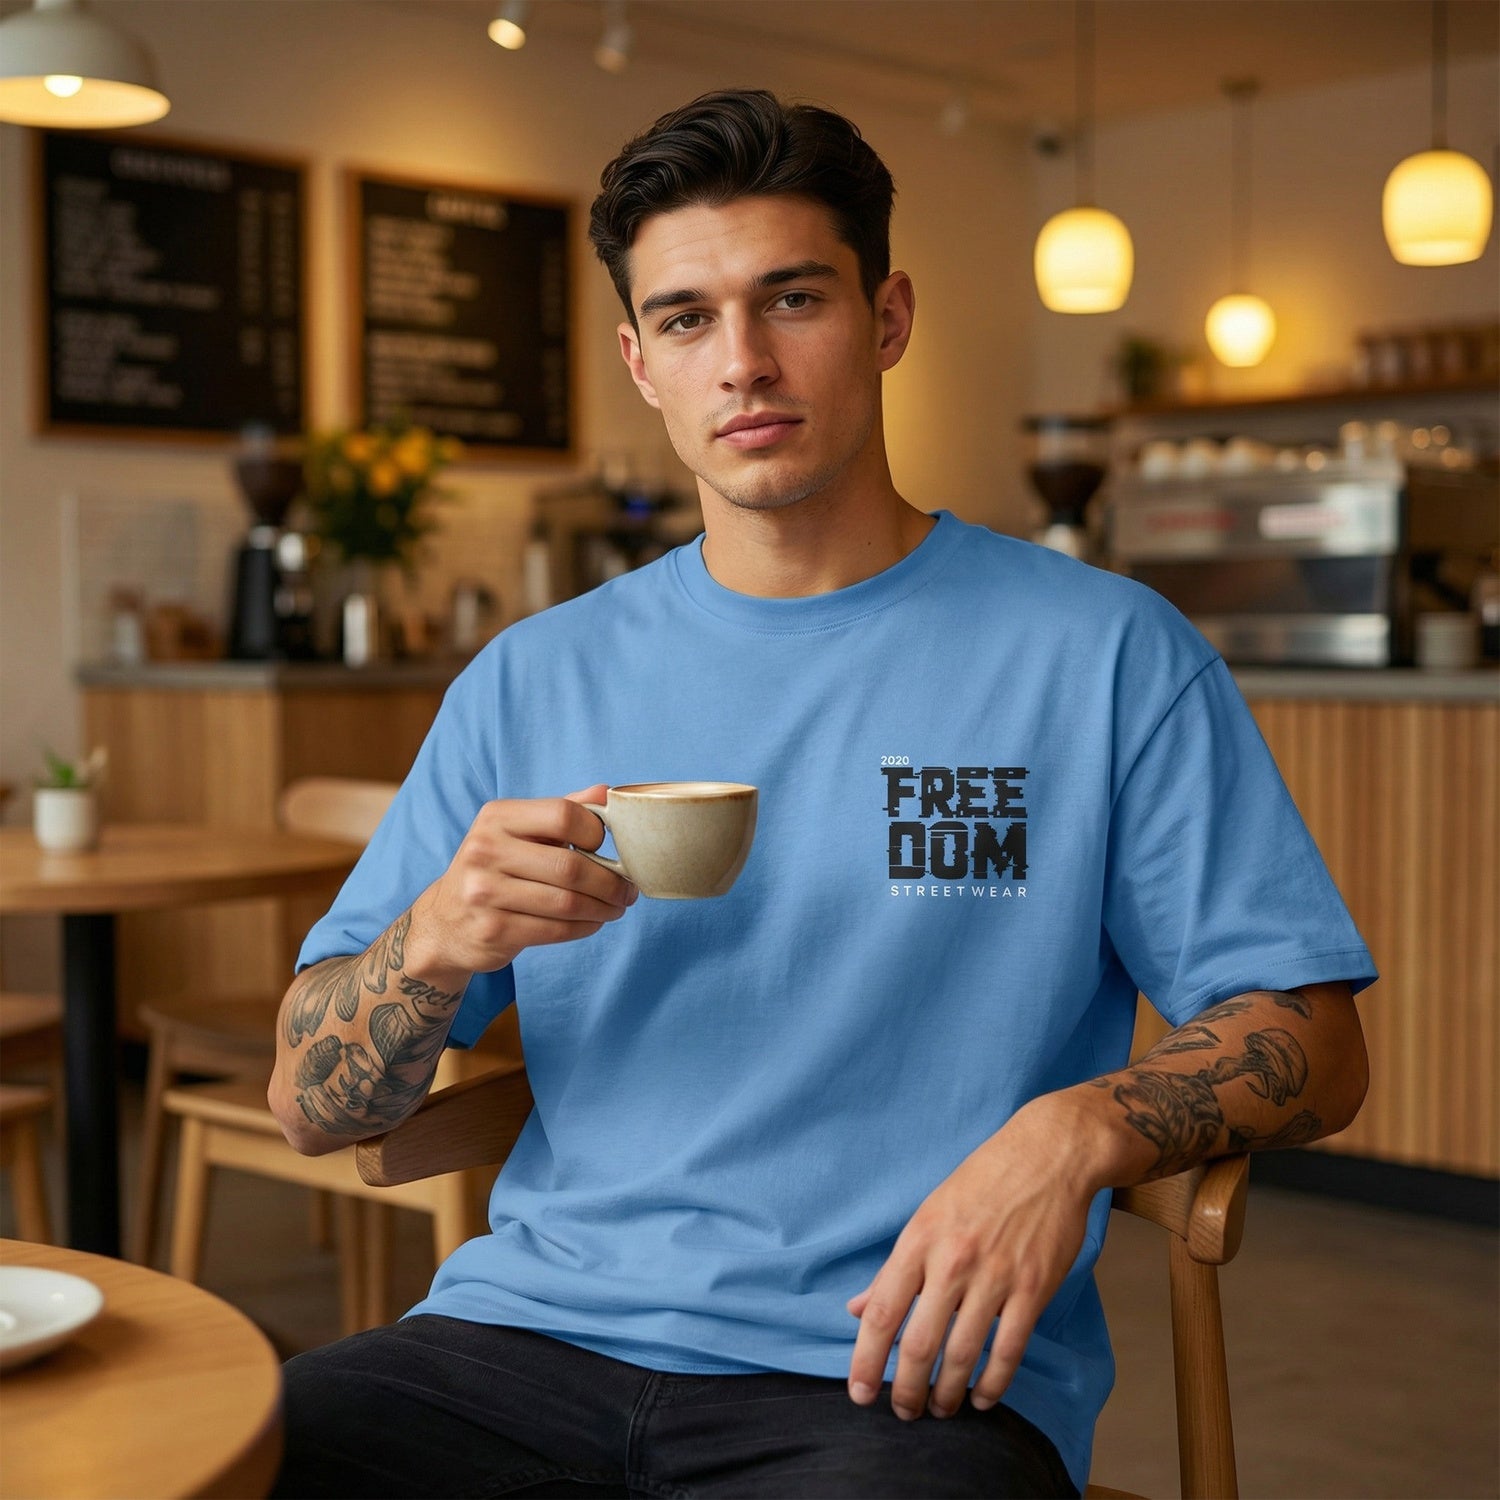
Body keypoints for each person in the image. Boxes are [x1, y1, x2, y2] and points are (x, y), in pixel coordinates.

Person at [269, 89, 1375, 1499]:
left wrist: (1074, 1132)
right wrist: (434, 944)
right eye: (686, 319)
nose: (743, 362)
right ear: (641, 362)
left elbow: (1318, 1039)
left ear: (888, 318)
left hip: (896, 1379)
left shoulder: (1103, 654)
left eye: (792, 298)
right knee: (244, 1457)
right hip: (527, 1338)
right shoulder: (529, 680)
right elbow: (308, 1102)